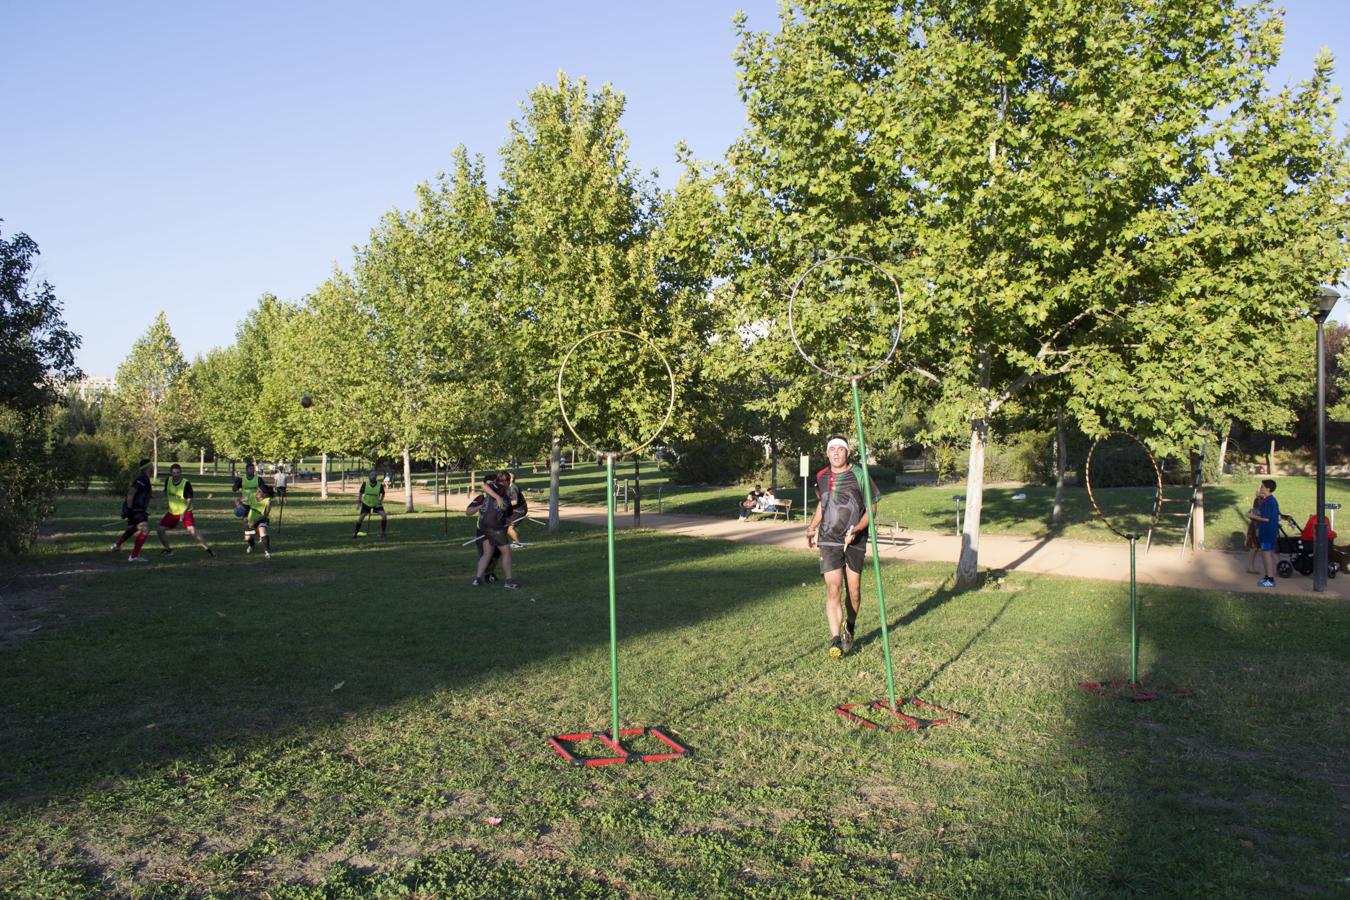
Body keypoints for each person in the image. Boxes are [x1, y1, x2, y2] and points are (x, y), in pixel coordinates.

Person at [805, 437, 880, 657]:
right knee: (833, 588)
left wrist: (857, 529)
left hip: (854, 539)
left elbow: (871, 509)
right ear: (827, 453)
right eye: (832, 449)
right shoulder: (821, 476)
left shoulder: (860, 474)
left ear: (847, 453)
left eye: (840, 449)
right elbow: (823, 504)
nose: (836, 453)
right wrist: (812, 527)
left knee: (854, 593)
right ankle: (836, 639)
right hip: (829, 539)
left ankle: (851, 625)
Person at [469, 471, 519, 588]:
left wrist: (508, 521)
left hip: (485, 526)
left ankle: (477, 580)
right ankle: (509, 581)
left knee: (488, 553)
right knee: (506, 552)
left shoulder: (506, 496)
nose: (507, 483)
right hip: (494, 527)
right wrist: (497, 497)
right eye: (507, 480)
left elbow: (507, 515)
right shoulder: (497, 488)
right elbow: (483, 485)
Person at [156, 463, 215, 557]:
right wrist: (152, 496)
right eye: (174, 473)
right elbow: (165, 492)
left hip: (185, 511)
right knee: (160, 529)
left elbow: (190, 499)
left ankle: (208, 549)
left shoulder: (186, 483)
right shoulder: (168, 480)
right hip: (172, 512)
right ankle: (168, 550)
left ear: (181, 472)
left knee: (192, 531)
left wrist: (183, 513)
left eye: (178, 472)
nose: (176, 475)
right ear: (171, 473)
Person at [111, 459, 154, 562]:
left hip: (138, 509)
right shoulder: (142, 479)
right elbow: (131, 493)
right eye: (152, 466)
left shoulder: (146, 479)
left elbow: (146, 495)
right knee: (145, 530)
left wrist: (167, 493)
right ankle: (134, 556)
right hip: (135, 509)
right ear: (148, 468)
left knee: (134, 528)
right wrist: (129, 510)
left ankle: (117, 545)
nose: (153, 468)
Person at [484, 470, 530, 547]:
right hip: (510, 510)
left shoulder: (513, 488)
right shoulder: (504, 487)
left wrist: (503, 504)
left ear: (511, 479)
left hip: (518, 511)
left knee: (509, 528)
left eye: (507, 478)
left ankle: (517, 543)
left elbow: (515, 502)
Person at [1248, 478, 1280, 587]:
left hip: (1267, 532)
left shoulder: (1269, 501)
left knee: (1266, 556)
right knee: (1265, 555)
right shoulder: (1270, 500)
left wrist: (1252, 516)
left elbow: (1266, 519)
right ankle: (1267, 577)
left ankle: (1270, 579)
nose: (1260, 488)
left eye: (1262, 486)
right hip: (1268, 531)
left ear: (1268, 489)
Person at [232, 461, 265, 550]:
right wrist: (236, 482)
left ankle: (260, 535)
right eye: (250, 469)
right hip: (245, 504)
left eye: (253, 469)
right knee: (245, 524)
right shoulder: (242, 479)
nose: (252, 470)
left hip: (256, 504)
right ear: (246, 470)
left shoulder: (258, 479)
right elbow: (234, 489)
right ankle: (252, 543)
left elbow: (263, 490)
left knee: (255, 523)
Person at [244, 484, 276, 559]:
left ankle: (268, 552)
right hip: (251, 519)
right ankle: (252, 545)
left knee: (262, 531)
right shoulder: (252, 496)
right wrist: (238, 502)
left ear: (264, 494)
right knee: (247, 538)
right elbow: (242, 499)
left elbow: (266, 514)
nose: (257, 492)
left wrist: (256, 521)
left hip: (262, 519)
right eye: (257, 490)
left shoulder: (268, 501)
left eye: (259, 491)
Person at [353, 470, 388, 538]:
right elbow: (360, 493)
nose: (373, 478)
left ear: (376, 477)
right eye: (371, 476)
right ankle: (355, 534)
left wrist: (380, 501)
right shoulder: (365, 484)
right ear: (369, 477)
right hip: (366, 503)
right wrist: (359, 502)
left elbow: (383, 493)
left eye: (374, 477)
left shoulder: (379, 485)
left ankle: (382, 533)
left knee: (384, 516)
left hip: (376, 504)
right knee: (360, 518)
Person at [1244, 482, 1266, 574]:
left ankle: (1252, 567)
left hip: (1261, 525)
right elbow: (1257, 512)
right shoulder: (1258, 500)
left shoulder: (1265, 499)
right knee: (1254, 547)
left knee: (1257, 548)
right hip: (1256, 526)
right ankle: (1250, 567)